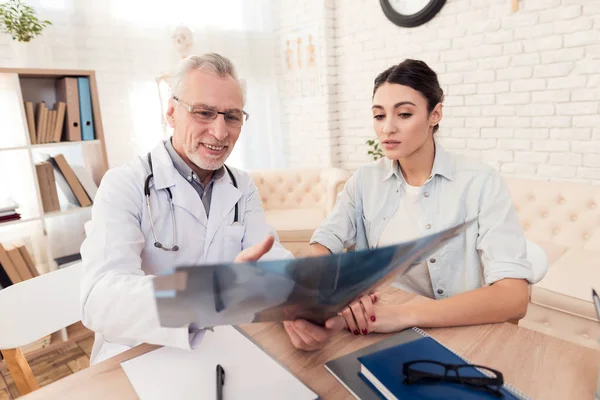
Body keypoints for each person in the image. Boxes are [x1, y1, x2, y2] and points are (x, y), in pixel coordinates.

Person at [285, 59, 545, 349]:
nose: (388, 129)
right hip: (377, 329)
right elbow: (323, 244)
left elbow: (514, 297)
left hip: (457, 334)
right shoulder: (365, 180)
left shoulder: (481, 182)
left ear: (435, 114)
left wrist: (406, 315)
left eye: (404, 114)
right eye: (379, 116)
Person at [80, 53, 293, 364]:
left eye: (232, 116)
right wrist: (209, 291)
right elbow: (100, 299)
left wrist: (309, 295)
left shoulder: (242, 186)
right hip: (141, 353)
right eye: (204, 113)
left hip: (221, 344)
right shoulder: (124, 184)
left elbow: (270, 257)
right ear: (171, 113)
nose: (220, 133)